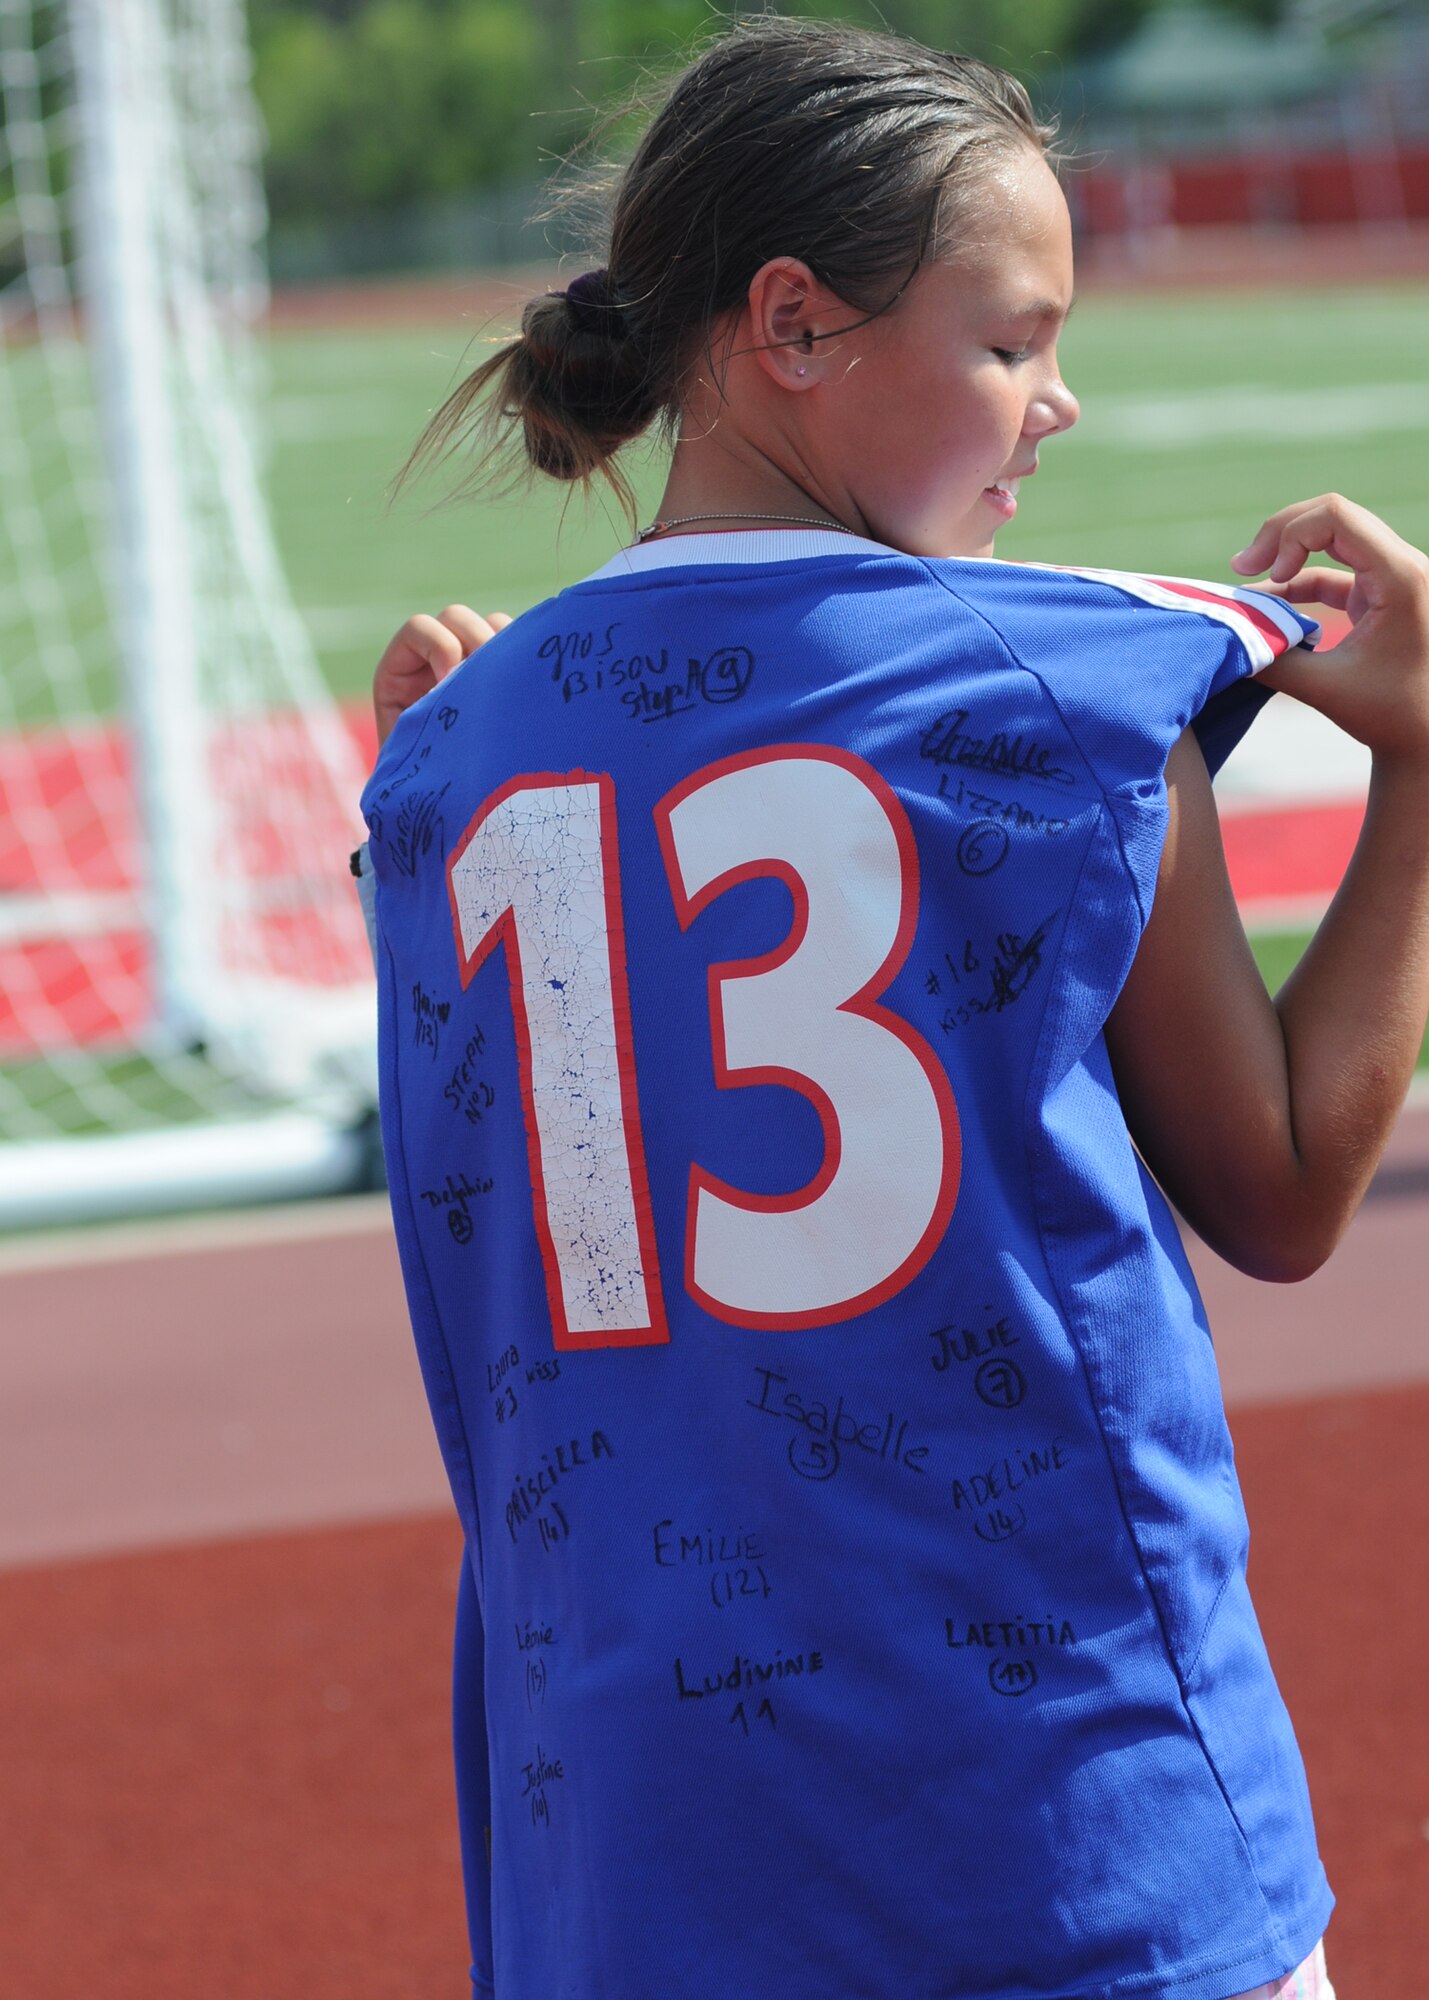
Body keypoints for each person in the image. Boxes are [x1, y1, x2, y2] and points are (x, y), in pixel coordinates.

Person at [355, 17, 1429, 1998]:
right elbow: (1279, 1188)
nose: (1058, 403)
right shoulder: (1075, 682)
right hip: (1055, 1819)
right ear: (791, 324)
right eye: (1009, 340)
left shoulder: (436, 765)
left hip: (633, 1845)